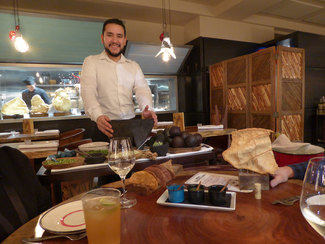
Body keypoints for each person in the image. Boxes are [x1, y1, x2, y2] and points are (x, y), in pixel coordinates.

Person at [80, 18, 157, 140]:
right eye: (110, 35)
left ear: (125, 40)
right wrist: (98, 116)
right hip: (103, 127)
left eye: (119, 36)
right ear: (102, 38)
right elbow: (87, 91)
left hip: (130, 127)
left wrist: (147, 108)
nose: (115, 40)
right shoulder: (91, 62)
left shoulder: (133, 66)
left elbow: (142, 89)